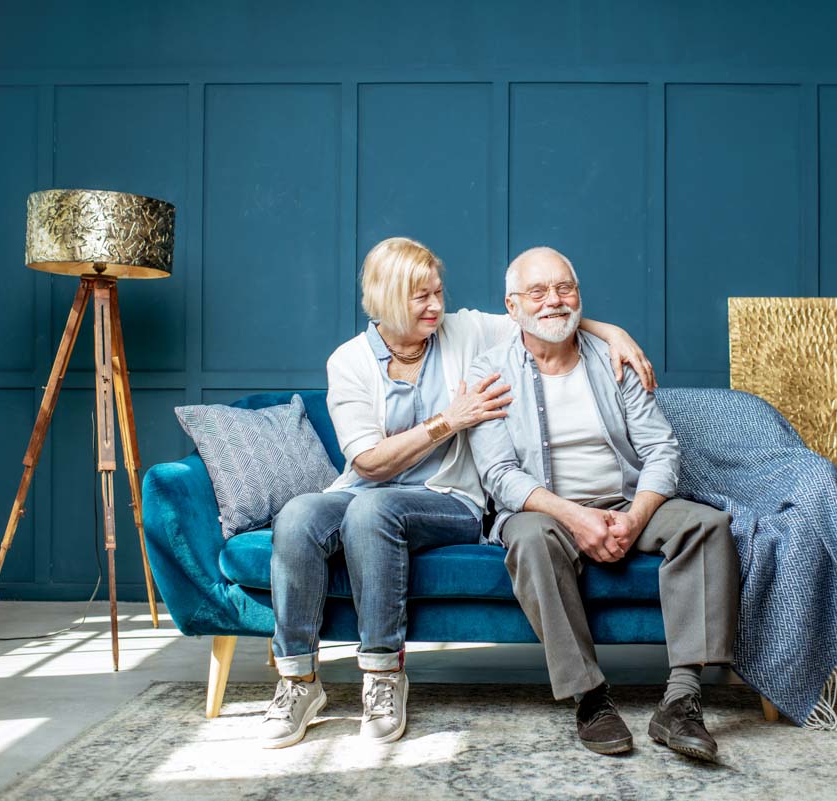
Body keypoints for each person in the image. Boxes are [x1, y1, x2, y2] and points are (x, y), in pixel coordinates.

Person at [259, 237, 656, 748]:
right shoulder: (349, 361)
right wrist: (450, 420)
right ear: (384, 300)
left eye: (438, 293)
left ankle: (382, 674)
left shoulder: (462, 330)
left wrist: (613, 332)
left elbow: (541, 314)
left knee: (372, 513)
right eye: (420, 297)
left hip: (450, 499)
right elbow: (368, 462)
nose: (435, 307)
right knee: (296, 516)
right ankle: (297, 681)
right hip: (368, 489)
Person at [466, 246, 739, 761]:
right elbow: (500, 476)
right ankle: (590, 699)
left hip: (625, 499)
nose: (554, 301)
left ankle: (681, 700)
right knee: (528, 537)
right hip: (545, 511)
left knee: (707, 524)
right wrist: (574, 517)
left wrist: (635, 517)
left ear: (579, 295)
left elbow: (661, 448)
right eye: (538, 291)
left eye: (564, 288)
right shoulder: (490, 372)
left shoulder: (614, 358)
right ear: (512, 305)